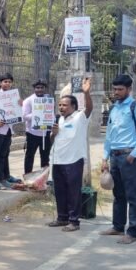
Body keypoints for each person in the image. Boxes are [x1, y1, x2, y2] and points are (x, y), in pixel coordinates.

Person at [100, 74, 136, 244]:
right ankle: (118, 226)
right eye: (114, 89)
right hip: (114, 156)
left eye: (120, 89)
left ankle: (132, 232)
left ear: (129, 89)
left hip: (128, 156)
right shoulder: (114, 108)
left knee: (133, 195)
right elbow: (109, 135)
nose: (116, 92)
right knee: (118, 193)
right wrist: (104, 157)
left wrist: (133, 154)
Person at [48, 78, 93, 232]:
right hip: (58, 160)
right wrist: (53, 134)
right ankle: (62, 218)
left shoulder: (80, 118)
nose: (61, 107)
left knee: (73, 192)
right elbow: (53, 140)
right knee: (60, 191)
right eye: (60, 105)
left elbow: (89, 108)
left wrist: (86, 93)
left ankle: (74, 221)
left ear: (73, 106)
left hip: (73, 161)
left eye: (64, 105)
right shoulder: (59, 119)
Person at [22, 79, 52, 174]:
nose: (40, 90)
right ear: (34, 89)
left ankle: (44, 177)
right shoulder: (28, 100)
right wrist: (37, 113)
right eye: (37, 88)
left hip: (45, 132)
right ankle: (28, 176)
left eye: (42, 88)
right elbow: (24, 116)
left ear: (45, 88)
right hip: (32, 133)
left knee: (45, 156)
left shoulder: (48, 99)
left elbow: (51, 113)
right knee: (30, 155)